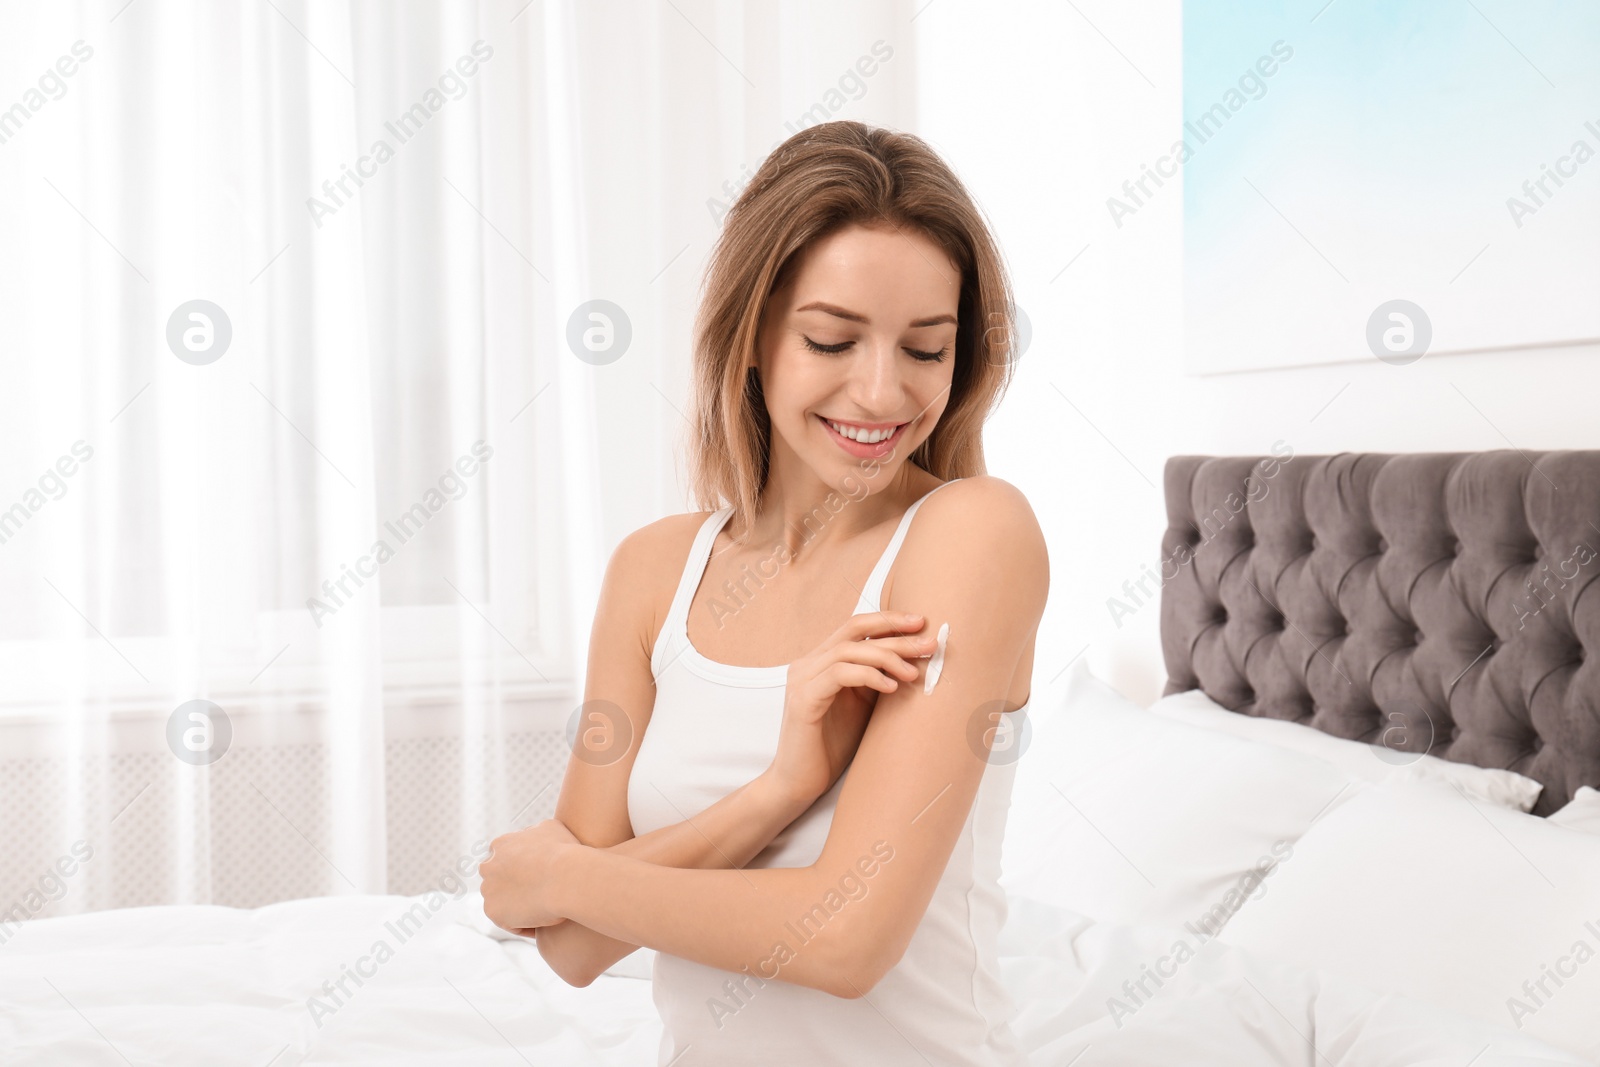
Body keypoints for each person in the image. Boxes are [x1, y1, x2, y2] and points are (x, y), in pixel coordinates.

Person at [480, 119, 1048, 1066]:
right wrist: (779, 789)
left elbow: (845, 938)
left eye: (925, 349)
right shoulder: (653, 571)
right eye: (832, 338)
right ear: (752, 337)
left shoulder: (972, 534)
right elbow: (576, 948)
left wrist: (566, 873)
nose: (880, 392)